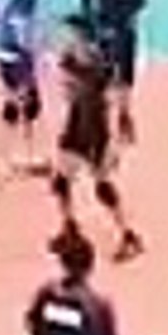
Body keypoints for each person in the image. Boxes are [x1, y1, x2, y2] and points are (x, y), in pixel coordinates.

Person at [53, 16, 144, 263]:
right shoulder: (72, 58)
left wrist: (114, 134)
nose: (62, 38)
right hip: (75, 127)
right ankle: (69, 227)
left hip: (94, 133)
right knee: (60, 183)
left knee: (102, 188)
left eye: (68, 34)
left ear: (80, 36)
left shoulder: (95, 63)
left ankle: (129, 235)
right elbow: (72, 91)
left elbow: (102, 93)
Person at [80, 0, 148, 144]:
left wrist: (135, 11)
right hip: (106, 25)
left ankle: (124, 116)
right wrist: (91, 24)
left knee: (126, 76)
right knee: (105, 75)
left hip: (127, 26)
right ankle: (102, 121)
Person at [0, 0, 59, 174]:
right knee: (27, 106)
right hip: (16, 57)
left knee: (18, 107)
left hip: (7, 53)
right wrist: (32, 49)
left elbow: (8, 19)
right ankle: (18, 158)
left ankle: (12, 157)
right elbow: (19, 24)